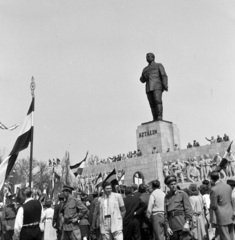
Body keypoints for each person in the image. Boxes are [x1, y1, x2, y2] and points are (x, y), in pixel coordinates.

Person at [140, 52, 168, 121]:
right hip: (149, 88)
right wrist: (143, 77)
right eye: (146, 57)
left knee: (157, 101)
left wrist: (165, 85)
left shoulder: (158, 65)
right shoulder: (145, 69)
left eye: (148, 56)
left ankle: (159, 116)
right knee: (151, 104)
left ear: (153, 57)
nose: (147, 58)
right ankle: (154, 117)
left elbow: (164, 75)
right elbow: (142, 80)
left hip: (157, 86)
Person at [164, 175, 193, 240]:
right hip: (172, 227)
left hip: (182, 225)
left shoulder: (183, 194)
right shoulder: (166, 197)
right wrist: (167, 227)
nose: (174, 185)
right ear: (168, 186)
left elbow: (188, 210)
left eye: (175, 184)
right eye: (171, 184)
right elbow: (165, 214)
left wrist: (187, 222)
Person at [210, 171, 234, 240]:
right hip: (230, 213)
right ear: (219, 177)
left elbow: (214, 205)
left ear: (211, 179)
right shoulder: (228, 186)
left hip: (221, 215)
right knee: (231, 235)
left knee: (224, 236)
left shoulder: (214, 189)